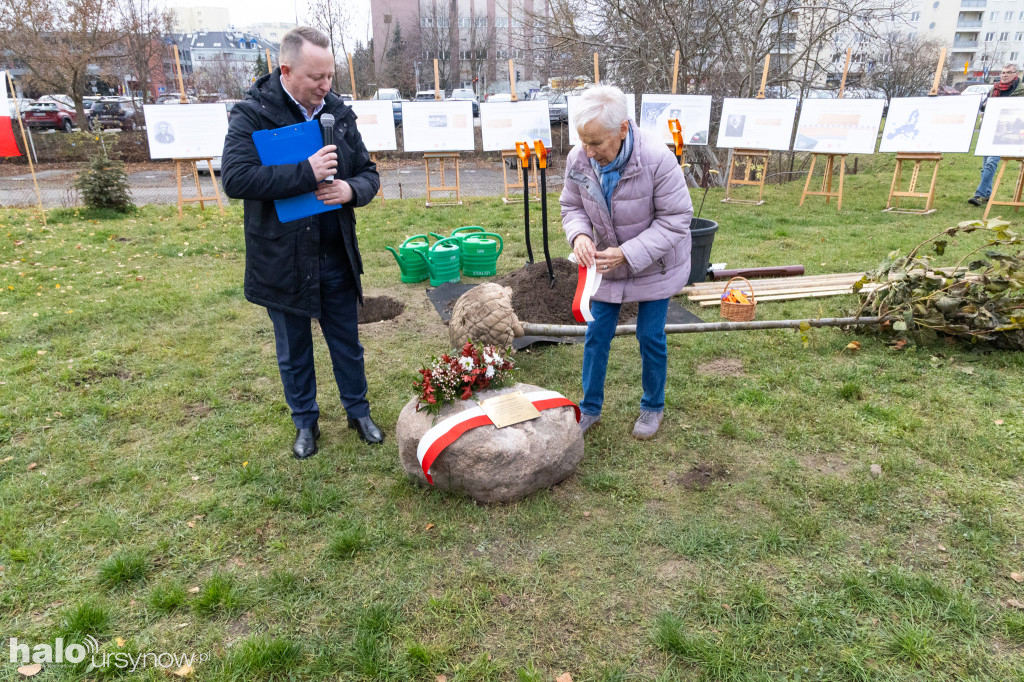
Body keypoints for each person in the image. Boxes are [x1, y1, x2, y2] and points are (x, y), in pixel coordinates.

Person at [221, 26, 383, 459]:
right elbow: (235, 178)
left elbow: (368, 173)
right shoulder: (252, 114)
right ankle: (305, 423)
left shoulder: (337, 113)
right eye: (316, 78)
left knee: (347, 341)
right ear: (287, 70)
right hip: (282, 259)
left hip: (335, 255)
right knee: (294, 350)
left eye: (330, 76)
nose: (326, 87)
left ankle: (358, 411)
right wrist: (304, 173)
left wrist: (351, 190)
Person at [561, 85, 693, 440]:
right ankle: (589, 408)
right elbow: (571, 206)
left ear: (622, 129)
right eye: (583, 141)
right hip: (606, 264)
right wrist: (581, 236)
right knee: (596, 335)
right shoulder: (580, 158)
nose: (588, 152)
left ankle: (652, 406)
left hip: (655, 264)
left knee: (650, 335)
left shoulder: (658, 159)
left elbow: (676, 218)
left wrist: (628, 253)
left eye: (596, 143)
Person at [969, 63, 1022, 206]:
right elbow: (982, 105)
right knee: (986, 163)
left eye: (1008, 72)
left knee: (992, 161)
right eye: (1003, 72)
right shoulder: (994, 89)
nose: (1004, 75)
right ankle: (987, 195)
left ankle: (979, 194)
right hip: (989, 129)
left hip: (1007, 132)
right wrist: (985, 105)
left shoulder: (1020, 91)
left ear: (1015, 74)